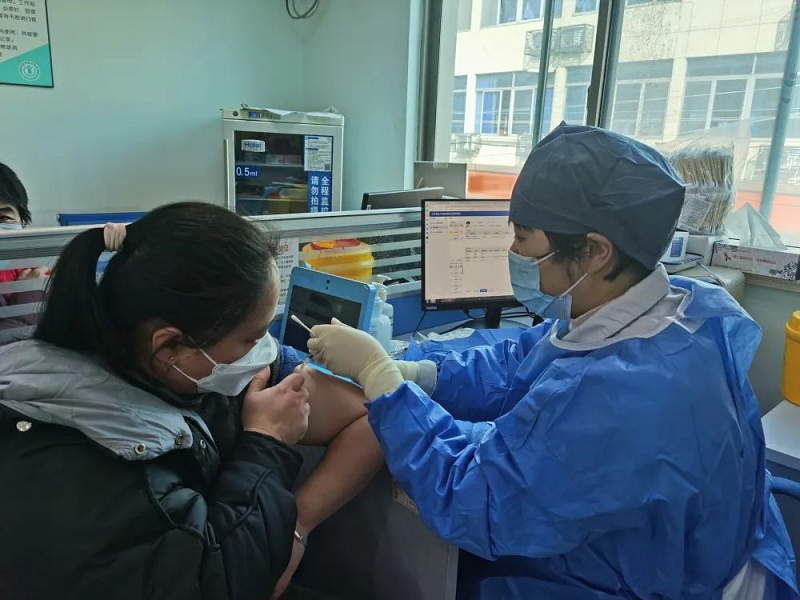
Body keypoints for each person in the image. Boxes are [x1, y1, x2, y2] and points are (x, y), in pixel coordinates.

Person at [307, 124, 800, 599]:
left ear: (595, 251)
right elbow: (525, 359)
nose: (512, 251)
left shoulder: (622, 399)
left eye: (523, 239)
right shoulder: (669, 308)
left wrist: (383, 382)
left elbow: (472, 499)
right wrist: (421, 373)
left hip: (660, 581)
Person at [0, 202, 382, 600]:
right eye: (252, 338)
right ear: (168, 346)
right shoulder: (69, 470)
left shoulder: (181, 369)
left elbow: (373, 416)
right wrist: (266, 442)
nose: (264, 352)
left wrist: (298, 524)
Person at [0, 162, 47, 340]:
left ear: (23, 223)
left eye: (4, 217)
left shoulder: (36, 272)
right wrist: (28, 299)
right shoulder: (34, 285)